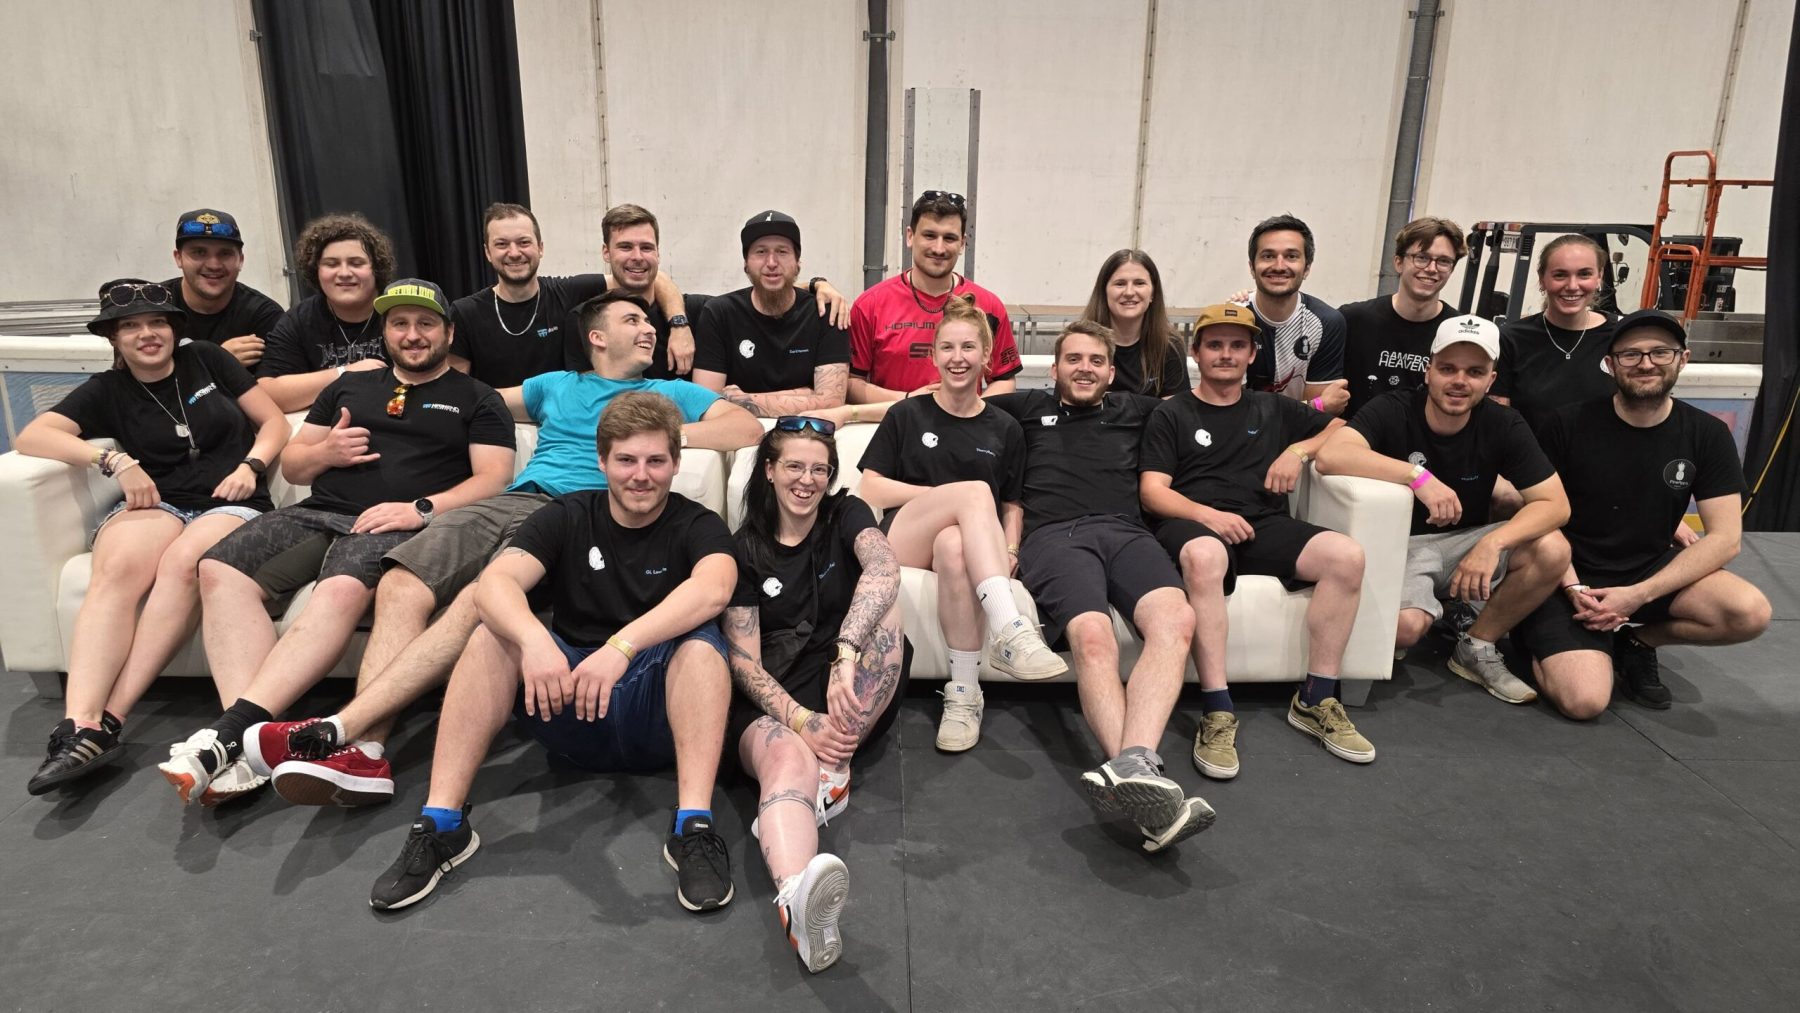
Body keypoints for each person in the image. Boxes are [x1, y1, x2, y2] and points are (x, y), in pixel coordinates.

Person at [238, 291, 760, 808]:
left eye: (649, 322)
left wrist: (652, 439)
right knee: (400, 581)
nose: (649, 330)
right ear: (597, 337)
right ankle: (362, 748)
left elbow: (745, 426)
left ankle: (351, 736)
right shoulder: (553, 385)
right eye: (633, 320)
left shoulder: (667, 391)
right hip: (509, 498)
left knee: (480, 598)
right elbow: (472, 396)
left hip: (575, 513)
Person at [368, 393, 739, 914]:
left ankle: (693, 828)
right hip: (568, 703)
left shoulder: (698, 524)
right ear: (602, 460)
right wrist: (534, 640)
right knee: (491, 635)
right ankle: (442, 824)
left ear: (676, 464)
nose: (641, 475)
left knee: (702, 647)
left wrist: (621, 647)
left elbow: (714, 589)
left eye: (656, 461)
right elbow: (495, 584)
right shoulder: (567, 514)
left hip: (655, 714)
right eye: (626, 460)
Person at [158, 279, 515, 805]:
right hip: (317, 510)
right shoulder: (350, 386)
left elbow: (494, 479)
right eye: (399, 324)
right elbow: (294, 465)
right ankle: (245, 738)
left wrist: (420, 509)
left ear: (448, 332)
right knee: (217, 569)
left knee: (340, 589)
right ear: (385, 332)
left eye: (425, 324)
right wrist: (328, 452)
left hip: (390, 522)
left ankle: (228, 737)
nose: (412, 335)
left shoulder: (477, 398)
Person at [19, 280, 287, 795]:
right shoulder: (106, 389)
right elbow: (33, 435)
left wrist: (251, 466)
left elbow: (274, 422)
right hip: (159, 501)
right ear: (114, 338)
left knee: (184, 563)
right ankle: (79, 724)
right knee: (117, 568)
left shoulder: (207, 358)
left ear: (173, 328)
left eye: (157, 322)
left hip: (230, 500)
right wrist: (115, 461)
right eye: (131, 326)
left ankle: (111, 720)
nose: (147, 333)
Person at [985, 322, 1216, 852]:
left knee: (1178, 619)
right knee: (1093, 637)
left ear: (1112, 372)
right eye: (1073, 359)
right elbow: (948, 405)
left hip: (1127, 533)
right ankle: (1140, 772)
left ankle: (1132, 769)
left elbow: (1213, 407)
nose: (1084, 368)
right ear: (1054, 367)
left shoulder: (1139, 410)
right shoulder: (1025, 408)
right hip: (1055, 537)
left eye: (1095, 361)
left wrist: (1312, 423)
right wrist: (847, 414)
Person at [1138, 304, 1371, 774]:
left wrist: (1298, 451)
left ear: (1251, 355)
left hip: (1263, 522)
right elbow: (1153, 492)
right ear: (1197, 353)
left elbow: (1342, 428)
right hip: (1194, 522)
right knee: (1205, 556)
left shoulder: (1273, 408)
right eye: (1215, 345)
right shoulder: (1172, 413)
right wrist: (1209, 516)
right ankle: (1217, 708)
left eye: (1237, 345)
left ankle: (1316, 698)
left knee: (1346, 556)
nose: (1226, 354)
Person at [1512, 310, 1770, 717]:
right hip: (1568, 573)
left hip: (1646, 571)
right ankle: (1533, 633)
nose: (1646, 363)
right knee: (1584, 701)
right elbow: (1537, 513)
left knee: (1749, 612)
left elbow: (1725, 539)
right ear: (1611, 364)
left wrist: (1637, 596)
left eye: (1660, 352)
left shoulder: (1708, 434)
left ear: (1682, 359)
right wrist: (1574, 588)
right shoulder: (1566, 423)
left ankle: (1637, 642)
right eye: (1630, 354)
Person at [723, 418, 906, 972]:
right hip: (775, 695)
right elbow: (744, 664)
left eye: (819, 470)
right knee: (785, 761)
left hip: (843, 682)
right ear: (770, 470)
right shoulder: (743, 549)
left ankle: (831, 768)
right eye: (795, 467)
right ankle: (798, 901)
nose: (807, 480)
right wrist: (801, 721)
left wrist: (845, 650)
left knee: (887, 613)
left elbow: (884, 565)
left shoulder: (845, 513)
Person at [1315, 315, 1572, 706]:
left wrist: (1494, 544)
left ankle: (1477, 644)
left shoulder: (1504, 423)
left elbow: (1556, 504)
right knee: (1405, 629)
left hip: (1463, 544)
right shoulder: (1393, 407)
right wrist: (1417, 477)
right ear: (1428, 370)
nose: (1459, 381)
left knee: (1553, 548)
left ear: (1491, 380)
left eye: (1475, 372)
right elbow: (1331, 455)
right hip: (1403, 547)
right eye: (1448, 369)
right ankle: (1443, 609)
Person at [856, 295, 1064, 751]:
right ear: (933, 356)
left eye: (969, 347)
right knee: (973, 494)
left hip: (962, 545)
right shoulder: (907, 413)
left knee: (954, 545)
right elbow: (871, 488)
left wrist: (1010, 548)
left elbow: (1012, 505)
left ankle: (965, 694)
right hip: (903, 536)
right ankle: (1011, 630)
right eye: (947, 347)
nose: (958, 358)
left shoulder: (1004, 428)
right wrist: (947, 498)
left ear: (986, 356)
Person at [448, 202, 709, 388]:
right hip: (499, 426)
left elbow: (646, 277)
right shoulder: (466, 312)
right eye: (502, 244)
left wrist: (679, 323)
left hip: (558, 423)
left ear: (540, 248)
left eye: (524, 242)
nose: (514, 252)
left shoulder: (566, 292)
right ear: (487, 252)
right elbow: (456, 386)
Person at [847, 190, 1022, 402]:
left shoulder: (989, 306)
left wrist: (970, 412)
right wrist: (910, 401)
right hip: (894, 420)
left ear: (962, 243)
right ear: (910, 236)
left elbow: (1004, 380)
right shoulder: (870, 305)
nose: (939, 248)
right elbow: (851, 383)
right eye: (929, 236)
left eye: (949, 238)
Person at [693, 211, 850, 416]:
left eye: (782, 251)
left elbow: (832, 403)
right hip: (740, 429)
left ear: (798, 263)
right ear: (746, 264)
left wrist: (746, 399)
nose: (772, 262)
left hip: (807, 427)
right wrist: (806, 393)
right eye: (760, 252)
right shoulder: (719, 313)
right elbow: (705, 402)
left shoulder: (825, 312)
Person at [258, 213, 397, 411]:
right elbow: (266, 395)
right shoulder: (299, 320)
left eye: (356, 263)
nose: (344, 273)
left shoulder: (400, 310)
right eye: (331, 264)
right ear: (315, 270)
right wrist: (344, 373)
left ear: (377, 268)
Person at [1339, 216, 1466, 418]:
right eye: (1421, 257)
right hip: (1354, 434)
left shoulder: (1459, 333)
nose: (1431, 269)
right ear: (1399, 262)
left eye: (1443, 261)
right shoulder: (1353, 320)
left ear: (1451, 269)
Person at [1492, 234, 1618, 432]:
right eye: (1560, 275)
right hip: (1530, 452)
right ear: (1542, 279)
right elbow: (1499, 421)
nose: (1572, 286)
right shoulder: (1510, 339)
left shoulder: (1620, 336)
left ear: (1599, 277)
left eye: (1584, 274)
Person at [1242, 214, 1350, 415]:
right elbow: (1231, 412)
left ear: (1307, 268)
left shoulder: (1326, 322)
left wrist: (1315, 409)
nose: (1279, 266)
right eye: (1268, 256)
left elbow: (1316, 420)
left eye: (1291, 256)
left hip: (1300, 433)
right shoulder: (1235, 317)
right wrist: (1314, 405)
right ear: (1251, 267)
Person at [162, 209, 285, 369]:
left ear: (240, 260)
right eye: (199, 252)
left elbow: (274, 383)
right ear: (178, 258)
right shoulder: (153, 305)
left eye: (225, 253)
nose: (213, 265)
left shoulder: (265, 316)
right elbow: (137, 380)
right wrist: (219, 360)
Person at [1077, 249, 1187, 397]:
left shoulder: (1170, 346)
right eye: (1120, 284)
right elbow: (1067, 402)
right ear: (1104, 292)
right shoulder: (1079, 342)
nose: (1129, 292)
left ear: (1153, 294)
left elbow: (1175, 408)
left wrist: (1119, 401)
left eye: (1139, 283)